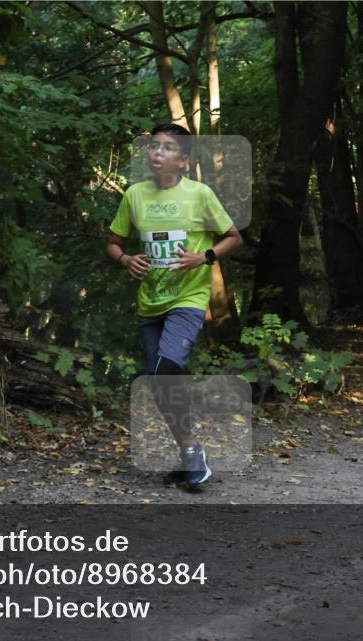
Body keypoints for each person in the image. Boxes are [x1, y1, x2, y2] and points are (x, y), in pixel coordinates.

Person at [106, 123, 242, 488]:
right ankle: (189, 453)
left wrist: (205, 257)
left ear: (183, 161)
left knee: (164, 371)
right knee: (158, 381)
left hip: (188, 299)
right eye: (153, 147)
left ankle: (193, 450)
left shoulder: (199, 195)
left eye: (167, 148)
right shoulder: (135, 195)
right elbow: (113, 242)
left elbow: (234, 237)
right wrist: (125, 260)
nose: (156, 153)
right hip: (150, 302)